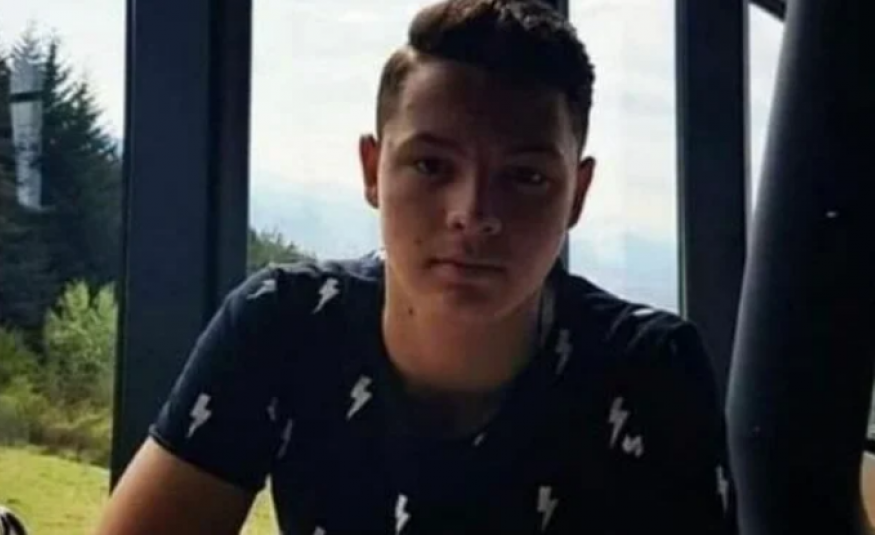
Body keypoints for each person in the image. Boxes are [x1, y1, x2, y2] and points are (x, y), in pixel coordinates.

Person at [96, 0, 737, 533]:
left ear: (578, 194)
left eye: (525, 177)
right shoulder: (285, 323)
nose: (472, 213)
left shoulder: (648, 370)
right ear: (373, 170)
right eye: (431, 165)